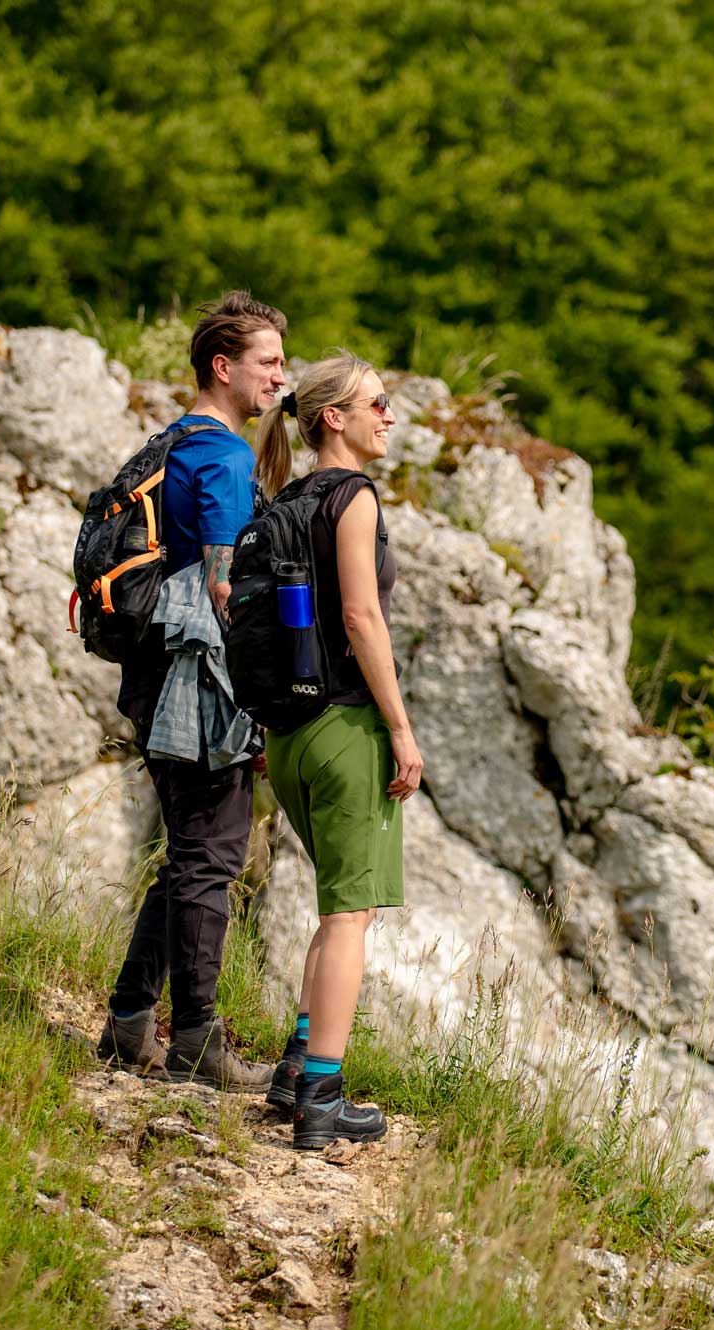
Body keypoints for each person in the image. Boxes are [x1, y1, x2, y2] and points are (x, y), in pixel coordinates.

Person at [96, 291, 289, 1091]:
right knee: (212, 854)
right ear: (225, 366)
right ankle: (196, 1042)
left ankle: (130, 1021)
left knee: (189, 855)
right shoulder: (226, 455)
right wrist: (269, 693)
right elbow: (224, 588)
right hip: (198, 681)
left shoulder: (174, 440)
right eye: (268, 362)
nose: (281, 376)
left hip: (152, 672)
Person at [251, 352, 423, 1147]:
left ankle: (295, 1065)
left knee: (333, 907)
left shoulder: (288, 499)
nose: (389, 416)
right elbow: (361, 618)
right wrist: (399, 727)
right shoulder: (351, 497)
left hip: (286, 735)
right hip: (344, 728)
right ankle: (322, 1095)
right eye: (377, 403)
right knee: (350, 914)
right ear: (334, 418)